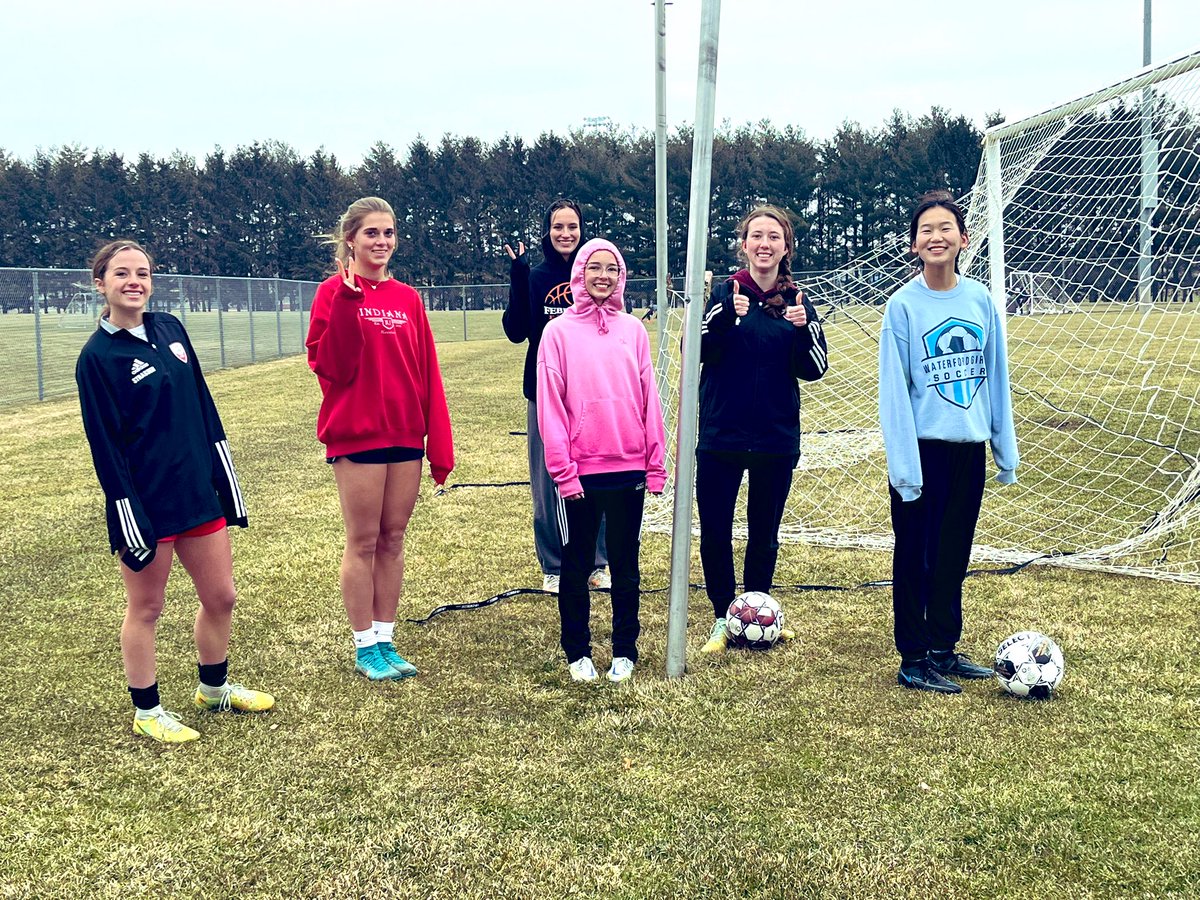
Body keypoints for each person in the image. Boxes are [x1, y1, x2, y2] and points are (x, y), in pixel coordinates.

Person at [76, 240, 273, 744]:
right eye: (121, 274)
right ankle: (147, 710)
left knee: (222, 595)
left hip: (196, 494)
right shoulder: (97, 358)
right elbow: (105, 446)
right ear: (101, 283)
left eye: (142, 272)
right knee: (146, 607)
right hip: (146, 504)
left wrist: (221, 477)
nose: (134, 281)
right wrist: (127, 510)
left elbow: (203, 406)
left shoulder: (170, 329)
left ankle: (214, 688)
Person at [306, 197, 454, 682]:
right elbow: (332, 366)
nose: (382, 242)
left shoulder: (408, 298)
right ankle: (364, 644)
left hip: (405, 435)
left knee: (393, 539)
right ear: (351, 239)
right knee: (364, 539)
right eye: (372, 233)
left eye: (388, 233)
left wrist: (439, 443)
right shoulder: (332, 293)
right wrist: (349, 302)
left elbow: (426, 369)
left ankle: (386, 639)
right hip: (358, 436)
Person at [879, 190, 1019, 693]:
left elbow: (996, 375)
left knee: (953, 554)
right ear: (914, 244)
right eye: (925, 231)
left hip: (968, 452)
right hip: (922, 452)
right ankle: (913, 657)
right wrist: (905, 468)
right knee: (914, 554)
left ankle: (944, 647)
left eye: (945, 229)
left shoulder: (980, 299)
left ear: (962, 239)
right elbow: (894, 391)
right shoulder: (902, 307)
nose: (935, 237)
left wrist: (1004, 448)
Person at [695, 206, 829, 653]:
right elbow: (696, 349)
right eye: (757, 235)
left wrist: (805, 329)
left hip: (775, 438)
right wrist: (724, 319)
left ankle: (758, 608)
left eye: (774, 236)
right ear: (745, 244)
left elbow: (815, 370)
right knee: (715, 528)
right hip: (721, 435)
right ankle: (721, 615)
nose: (765, 243)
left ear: (785, 247)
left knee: (764, 531)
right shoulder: (724, 291)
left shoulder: (797, 300)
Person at [536, 238, 667, 683]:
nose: (603, 276)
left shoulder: (632, 330)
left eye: (612, 268)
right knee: (577, 562)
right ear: (579, 274)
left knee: (626, 563)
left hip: (628, 467)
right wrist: (563, 470)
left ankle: (625, 649)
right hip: (580, 473)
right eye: (595, 267)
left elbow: (650, 399)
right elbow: (550, 407)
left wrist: (654, 462)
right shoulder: (558, 334)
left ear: (621, 276)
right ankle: (578, 651)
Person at [503, 199, 609, 594]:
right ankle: (554, 564)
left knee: (596, 476)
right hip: (544, 391)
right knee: (548, 482)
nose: (566, 233)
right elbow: (516, 332)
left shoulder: (594, 273)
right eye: (557, 226)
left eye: (573, 226)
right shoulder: (536, 276)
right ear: (547, 231)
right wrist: (518, 275)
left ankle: (598, 563)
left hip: (591, 392)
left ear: (582, 229)